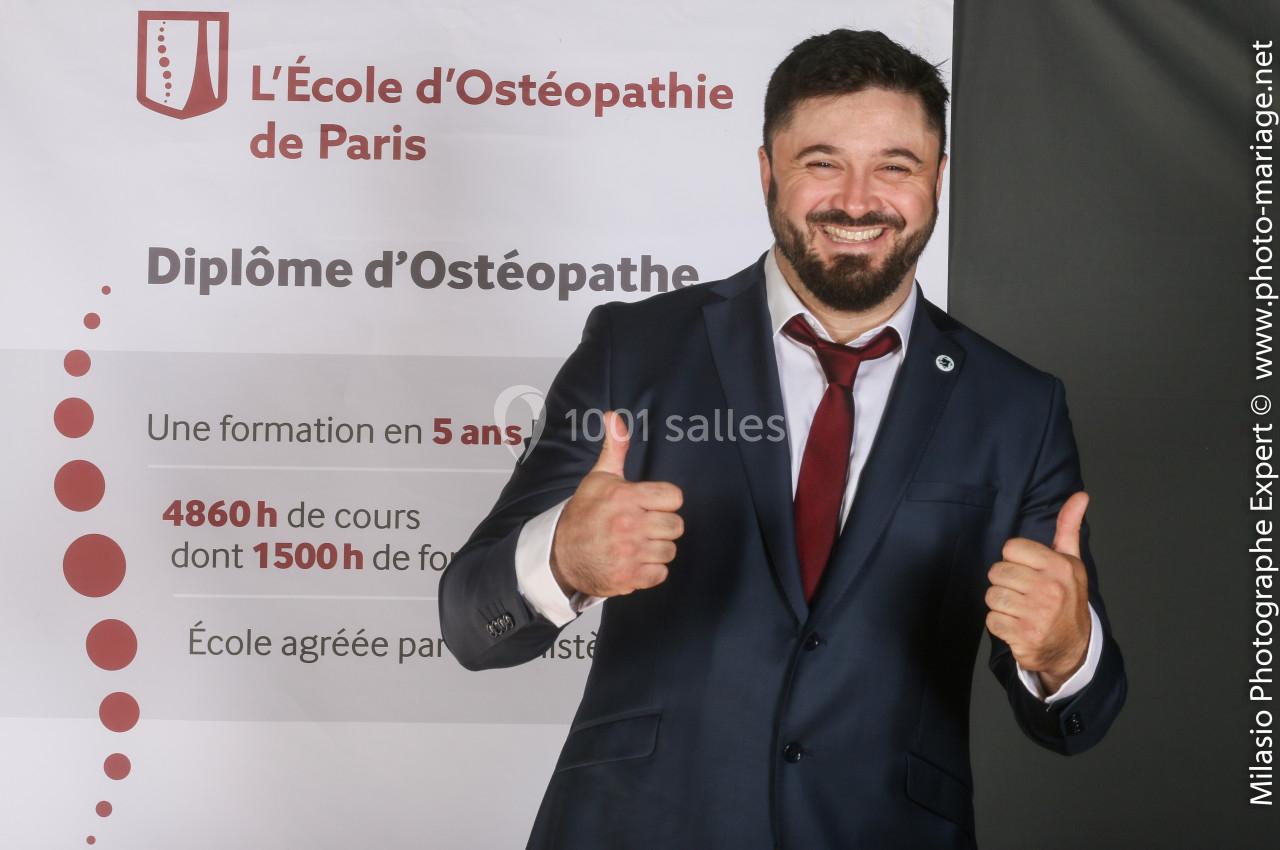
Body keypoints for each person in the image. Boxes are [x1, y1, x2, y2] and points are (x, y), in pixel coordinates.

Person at [439, 28, 1126, 850]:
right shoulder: (635, 349)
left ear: (938, 180)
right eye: (822, 163)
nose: (858, 201)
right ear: (767, 172)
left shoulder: (1017, 406)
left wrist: (1064, 650)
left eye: (896, 167)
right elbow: (468, 621)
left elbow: (1079, 719)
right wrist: (563, 560)